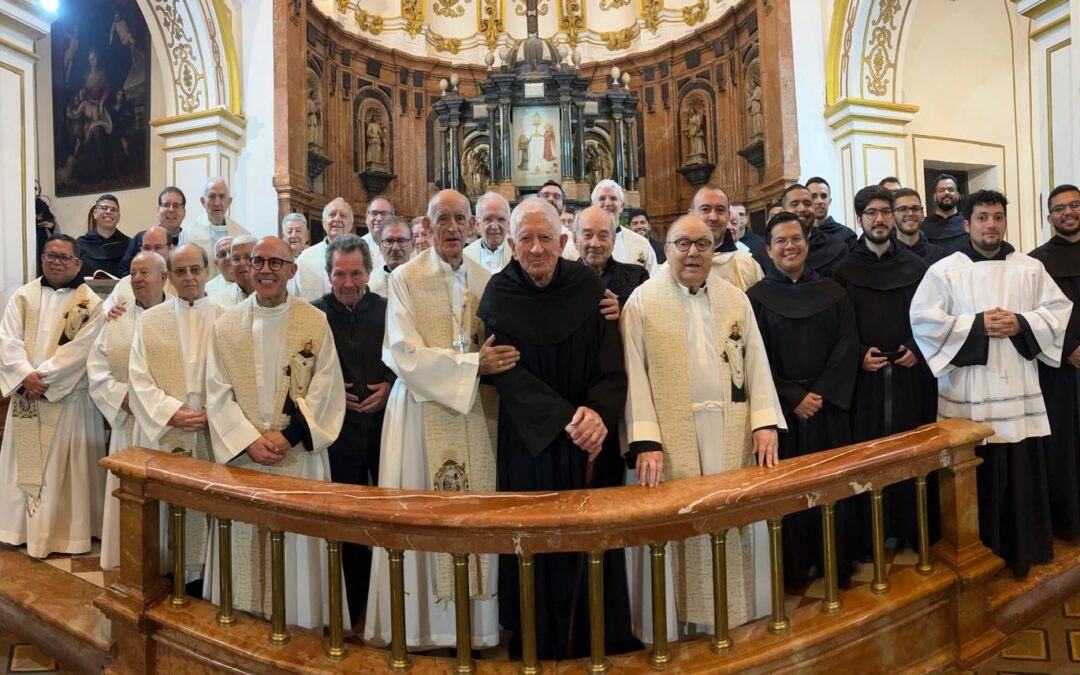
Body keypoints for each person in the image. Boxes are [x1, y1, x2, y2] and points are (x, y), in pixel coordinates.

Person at [477, 197, 639, 660]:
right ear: (511, 245)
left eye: (545, 238)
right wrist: (568, 419)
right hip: (531, 444)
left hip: (590, 442)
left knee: (592, 541)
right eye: (525, 239)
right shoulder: (498, 294)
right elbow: (505, 372)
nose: (536, 248)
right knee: (535, 540)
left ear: (563, 240)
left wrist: (598, 413)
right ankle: (537, 640)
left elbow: (611, 361)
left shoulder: (588, 287)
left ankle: (601, 638)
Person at [622, 214, 784, 641]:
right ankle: (677, 626)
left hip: (731, 432)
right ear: (666, 249)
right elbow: (633, 375)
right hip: (670, 442)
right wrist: (646, 440)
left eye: (703, 244)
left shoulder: (736, 299)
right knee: (677, 529)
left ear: (715, 250)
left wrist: (764, 423)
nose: (693, 253)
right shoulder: (641, 302)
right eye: (683, 244)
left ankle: (734, 614)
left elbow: (756, 362)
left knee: (731, 522)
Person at [365, 189, 503, 650]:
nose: (452, 228)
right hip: (419, 412)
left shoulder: (488, 279)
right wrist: (472, 365)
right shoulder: (405, 278)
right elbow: (400, 352)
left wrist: (478, 367)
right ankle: (421, 627)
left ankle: (476, 629)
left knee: (474, 513)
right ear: (426, 225)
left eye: (460, 219)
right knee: (422, 512)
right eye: (442, 219)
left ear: (472, 226)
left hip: (477, 415)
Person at [910, 190, 1072, 578]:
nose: (991, 225)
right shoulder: (945, 270)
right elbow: (923, 320)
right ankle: (976, 556)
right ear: (967, 224)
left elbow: (1057, 310)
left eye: (998, 217)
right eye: (982, 217)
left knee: (1020, 469)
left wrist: (1022, 322)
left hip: (1018, 389)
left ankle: (1024, 549)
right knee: (974, 470)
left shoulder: (1029, 268)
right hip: (969, 391)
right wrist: (976, 325)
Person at [204, 236, 345, 628]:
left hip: (296, 456)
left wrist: (290, 436)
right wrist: (248, 439)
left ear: (292, 270)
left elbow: (327, 388)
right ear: (248, 267)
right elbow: (217, 391)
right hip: (246, 458)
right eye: (258, 261)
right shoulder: (226, 325)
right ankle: (244, 623)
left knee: (298, 546)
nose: (265, 270)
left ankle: (301, 623)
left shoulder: (314, 322)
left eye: (275, 263)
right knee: (244, 546)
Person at [746, 212, 860, 586]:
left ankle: (835, 563)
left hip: (828, 411)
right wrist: (793, 397)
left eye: (796, 238)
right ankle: (794, 568)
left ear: (807, 243)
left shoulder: (834, 292)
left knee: (833, 485)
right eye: (781, 241)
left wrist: (820, 393)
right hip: (784, 414)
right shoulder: (755, 300)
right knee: (789, 493)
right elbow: (754, 358)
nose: (790, 246)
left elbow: (847, 346)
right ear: (768, 249)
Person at [830, 186, 937, 548]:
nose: (880, 219)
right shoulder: (843, 270)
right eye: (871, 213)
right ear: (859, 218)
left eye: (885, 212)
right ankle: (870, 538)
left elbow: (931, 316)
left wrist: (917, 348)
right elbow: (840, 327)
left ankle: (913, 530)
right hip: (866, 382)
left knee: (912, 453)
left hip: (910, 376)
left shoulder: (917, 267)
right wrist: (859, 353)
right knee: (869, 456)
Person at [0, 234, 105, 558]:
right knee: (25, 464)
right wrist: (24, 376)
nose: (56, 261)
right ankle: (17, 528)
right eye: (50, 255)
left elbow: (80, 351)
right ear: (42, 257)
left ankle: (66, 536)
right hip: (27, 398)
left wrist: (41, 380)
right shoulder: (23, 296)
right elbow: (7, 341)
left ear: (78, 263)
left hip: (68, 402)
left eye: (64, 257)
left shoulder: (90, 304)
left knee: (65, 470)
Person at [127, 244, 222, 587]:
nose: (189, 277)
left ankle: (205, 579)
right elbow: (138, 377)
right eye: (180, 271)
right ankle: (167, 572)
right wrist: (171, 413)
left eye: (195, 269)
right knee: (167, 507)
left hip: (212, 428)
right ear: (169, 277)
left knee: (208, 505)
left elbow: (240, 378)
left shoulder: (227, 318)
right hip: (166, 426)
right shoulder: (151, 320)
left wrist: (215, 413)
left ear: (207, 272)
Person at [311, 234, 394, 627]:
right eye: (339, 274)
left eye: (356, 274)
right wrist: (331, 394)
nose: (348, 283)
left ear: (370, 272)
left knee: (388, 514)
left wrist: (390, 387)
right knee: (345, 519)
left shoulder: (389, 310)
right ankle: (351, 603)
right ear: (328, 274)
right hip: (338, 436)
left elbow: (406, 360)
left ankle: (388, 604)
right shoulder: (314, 315)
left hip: (385, 429)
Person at [89, 251, 168, 570]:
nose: (136, 279)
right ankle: (130, 561)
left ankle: (168, 563)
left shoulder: (178, 315)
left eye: (144, 272)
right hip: (129, 424)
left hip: (166, 428)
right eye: (133, 273)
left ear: (164, 278)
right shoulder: (117, 318)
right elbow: (97, 367)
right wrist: (119, 396)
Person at [1029, 184, 1080, 541]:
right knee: (1064, 447)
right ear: (1049, 218)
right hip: (1059, 369)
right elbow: (1034, 317)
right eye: (1059, 208)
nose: (1068, 212)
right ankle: (1070, 521)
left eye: (1074, 205)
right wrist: (1067, 349)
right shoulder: (1036, 263)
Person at [575, 205, 649, 309]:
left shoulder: (637, 278)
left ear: (613, 241)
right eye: (587, 235)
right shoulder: (563, 281)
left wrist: (623, 313)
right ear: (575, 240)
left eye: (603, 236)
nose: (595, 244)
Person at [691, 185, 763, 291]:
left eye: (720, 210)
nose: (713, 217)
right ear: (691, 215)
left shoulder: (748, 266)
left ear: (728, 215)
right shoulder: (676, 264)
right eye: (705, 209)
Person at [180, 177, 249, 276]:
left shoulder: (242, 235)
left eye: (222, 197)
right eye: (212, 196)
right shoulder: (188, 235)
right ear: (203, 201)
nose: (217, 203)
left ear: (229, 201)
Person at [780, 183, 849, 276]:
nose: (802, 209)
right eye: (794, 204)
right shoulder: (768, 251)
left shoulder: (837, 248)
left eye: (807, 204)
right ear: (782, 211)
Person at [592, 179, 657, 273]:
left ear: (622, 206)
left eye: (613, 198)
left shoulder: (641, 243)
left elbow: (653, 278)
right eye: (602, 198)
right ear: (593, 206)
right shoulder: (580, 243)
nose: (608, 203)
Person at [105, 226, 177, 311]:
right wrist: (110, 312)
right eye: (146, 248)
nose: (152, 252)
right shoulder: (124, 284)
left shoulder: (179, 283)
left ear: (170, 248)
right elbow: (105, 311)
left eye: (158, 247)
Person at [295, 198, 354, 301]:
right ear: (323, 223)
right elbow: (296, 296)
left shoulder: (363, 255)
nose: (337, 219)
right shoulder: (306, 257)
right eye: (332, 215)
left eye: (343, 215)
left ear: (351, 224)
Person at [119, 187, 187, 276]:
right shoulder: (142, 239)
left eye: (176, 206)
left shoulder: (189, 240)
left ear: (184, 212)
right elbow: (123, 271)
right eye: (166, 205)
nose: (171, 210)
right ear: (158, 210)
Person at [77, 194, 130, 278]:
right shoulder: (80, 244)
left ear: (119, 217)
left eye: (113, 210)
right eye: (104, 208)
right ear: (95, 213)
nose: (108, 212)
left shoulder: (129, 245)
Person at [893, 188, 946, 265]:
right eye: (903, 209)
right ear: (893, 216)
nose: (910, 214)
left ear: (922, 215)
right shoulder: (883, 257)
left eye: (915, 209)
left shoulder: (939, 256)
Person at [464, 192, 513, 272]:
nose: (494, 226)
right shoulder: (466, 256)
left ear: (508, 224)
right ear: (477, 224)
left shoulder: (519, 251)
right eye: (488, 219)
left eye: (501, 219)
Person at [921, 173, 967, 254]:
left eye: (951, 189)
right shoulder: (923, 226)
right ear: (934, 196)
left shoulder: (967, 223)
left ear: (958, 195)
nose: (946, 193)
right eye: (941, 190)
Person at [368, 217, 414, 297]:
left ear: (413, 244)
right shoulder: (370, 284)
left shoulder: (425, 280)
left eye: (401, 241)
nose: (395, 248)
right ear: (380, 246)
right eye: (389, 241)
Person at [807, 177, 856, 248]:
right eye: (813, 196)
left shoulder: (847, 235)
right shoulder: (800, 236)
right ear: (806, 202)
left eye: (824, 196)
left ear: (830, 201)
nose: (819, 201)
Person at [538, 180, 581, 260]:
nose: (551, 199)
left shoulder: (571, 238)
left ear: (563, 206)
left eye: (556, 197)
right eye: (546, 196)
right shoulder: (526, 233)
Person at [210, 235, 256, 308]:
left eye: (247, 257)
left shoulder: (272, 291)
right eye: (236, 258)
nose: (242, 263)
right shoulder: (216, 302)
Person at [361, 196, 394, 271]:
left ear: (393, 219)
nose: (379, 218)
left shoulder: (402, 246)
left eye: (384, 213)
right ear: (366, 218)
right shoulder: (357, 246)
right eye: (374, 213)